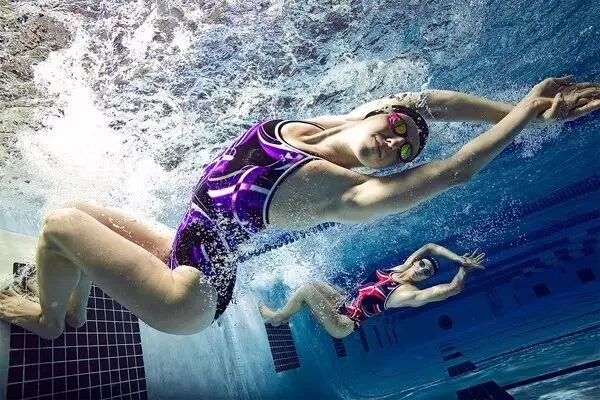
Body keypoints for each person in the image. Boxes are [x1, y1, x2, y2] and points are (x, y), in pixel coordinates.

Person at [0, 76, 598, 339]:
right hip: (185, 249)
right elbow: (430, 104)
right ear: (379, 111)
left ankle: (49, 320)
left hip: (192, 296)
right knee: (74, 208)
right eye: (396, 127)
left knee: (59, 225)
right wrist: (518, 111)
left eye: (405, 152)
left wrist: (527, 111)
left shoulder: (349, 193)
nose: (395, 143)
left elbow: (456, 169)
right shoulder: (326, 125)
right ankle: (74, 310)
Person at [258, 244, 485, 338]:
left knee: (307, 290)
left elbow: (453, 288)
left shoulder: (408, 294)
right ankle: (302, 311)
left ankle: (278, 318)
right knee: (313, 283)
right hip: (341, 302)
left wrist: (464, 269)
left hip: (344, 323)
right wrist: (458, 258)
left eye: (427, 273)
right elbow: (430, 247)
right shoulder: (399, 269)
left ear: (426, 279)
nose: (421, 270)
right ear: (416, 262)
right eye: (422, 265)